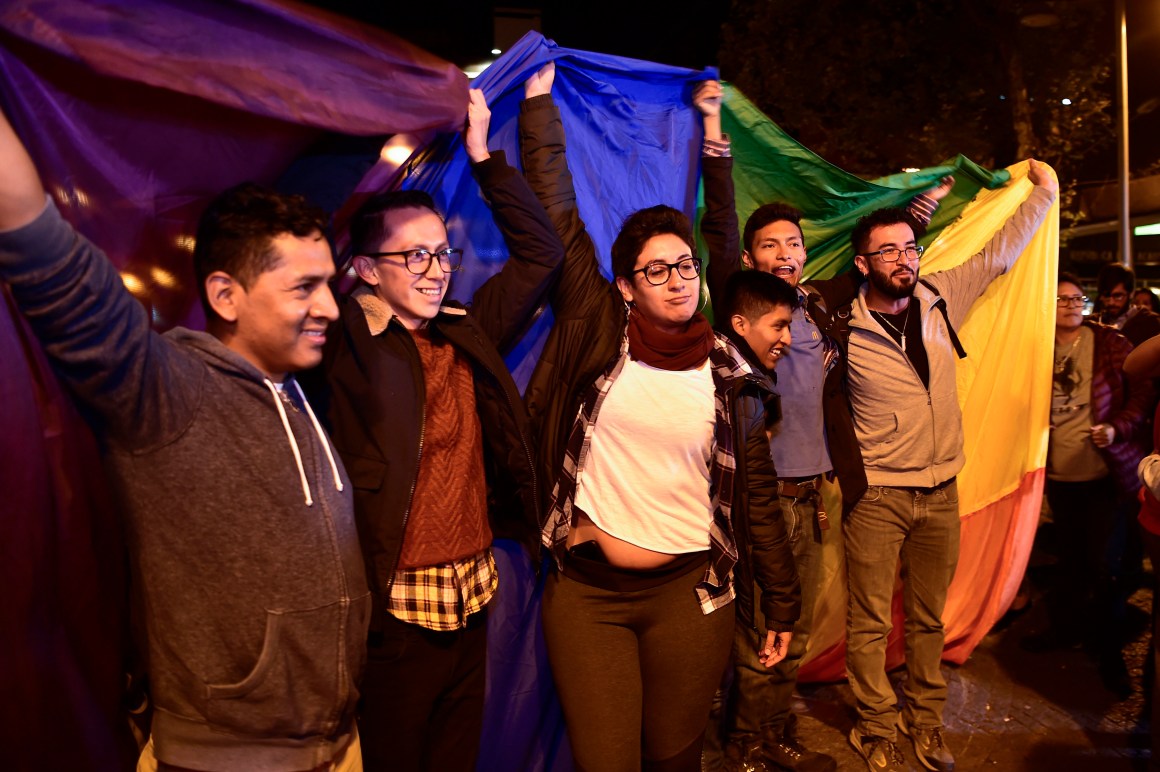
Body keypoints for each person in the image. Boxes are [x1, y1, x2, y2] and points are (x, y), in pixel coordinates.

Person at [0, 110, 368, 770]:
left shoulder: (294, 387)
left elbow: (324, 189)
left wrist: (377, 105)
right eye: (305, 288)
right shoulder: (166, 393)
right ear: (226, 295)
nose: (330, 308)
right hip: (222, 757)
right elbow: (41, 248)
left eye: (329, 284)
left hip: (337, 746)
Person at [519, 62, 800, 772]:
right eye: (657, 269)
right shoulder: (594, 337)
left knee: (675, 759)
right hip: (589, 601)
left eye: (686, 267)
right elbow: (557, 214)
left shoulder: (729, 371)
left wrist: (782, 604)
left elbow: (756, 494)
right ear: (624, 285)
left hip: (691, 596)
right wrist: (537, 109)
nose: (677, 279)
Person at [693, 79, 950, 772]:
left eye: (796, 243)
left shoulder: (820, 307)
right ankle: (746, 739)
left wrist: (923, 207)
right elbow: (719, 227)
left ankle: (776, 730)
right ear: (749, 261)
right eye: (772, 244)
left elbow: (891, 256)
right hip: (759, 497)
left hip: (813, 498)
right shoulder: (741, 312)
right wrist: (714, 132)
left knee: (794, 623)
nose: (787, 252)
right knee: (758, 624)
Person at [305, 91, 562, 772]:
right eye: (411, 256)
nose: (434, 268)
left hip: (471, 592)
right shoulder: (345, 340)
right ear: (365, 270)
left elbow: (542, 255)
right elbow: (310, 263)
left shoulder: (463, 328)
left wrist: (482, 154)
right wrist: (384, 132)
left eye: (441, 251)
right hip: (396, 611)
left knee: (455, 758)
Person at [821, 162, 1057, 772]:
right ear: (862, 264)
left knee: (930, 618)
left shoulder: (941, 293)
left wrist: (1045, 194)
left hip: (942, 491)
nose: (904, 259)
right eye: (888, 251)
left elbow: (1006, 249)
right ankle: (874, 724)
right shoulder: (839, 325)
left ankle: (924, 721)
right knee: (870, 622)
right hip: (877, 498)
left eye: (910, 247)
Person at [1020, 274, 1154, 698]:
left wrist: (1116, 429)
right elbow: (1017, 398)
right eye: (1061, 299)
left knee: (1105, 567)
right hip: (1058, 475)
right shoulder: (1033, 348)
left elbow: (1142, 394)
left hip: (1104, 476)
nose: (1071, 305)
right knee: (1070, 560)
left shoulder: (1110, 344)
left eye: (1077, 298)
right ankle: (1066, 630)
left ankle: (1108, 651)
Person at [1096, 263, 1160, 346]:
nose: (1111, 302)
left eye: (1118, 296)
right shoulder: (1094, 323)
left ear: (1131, 294)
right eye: (1106, 296)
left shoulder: (1151, 323)